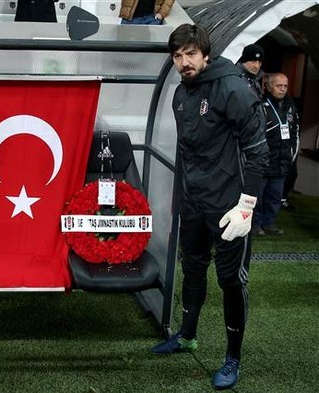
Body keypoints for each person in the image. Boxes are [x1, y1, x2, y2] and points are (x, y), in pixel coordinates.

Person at [152, 24, 268, 391]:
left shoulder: (233, 87)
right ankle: (187, 336)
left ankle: (233, 358)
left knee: (231, 280)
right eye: (177, 56)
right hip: (196, 204)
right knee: (194, 268)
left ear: (205, 54)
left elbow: (258, 154)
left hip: (231, 206)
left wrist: (246, 207)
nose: (184, 62)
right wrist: (182, 198)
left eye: (190, 54)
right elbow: (188, 154)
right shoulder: (180, 95)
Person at [252, 73, 300, 235]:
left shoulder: (291, 105)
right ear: (269, 86)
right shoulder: (261, 104)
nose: (283, 89)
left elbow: (295, 132)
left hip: (282, 161)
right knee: (257, 196)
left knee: (275, 196)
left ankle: (269, 223)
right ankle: (255, 225)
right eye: (279, 86)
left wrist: (291, 153)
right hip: (264, 160)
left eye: (285, 86)